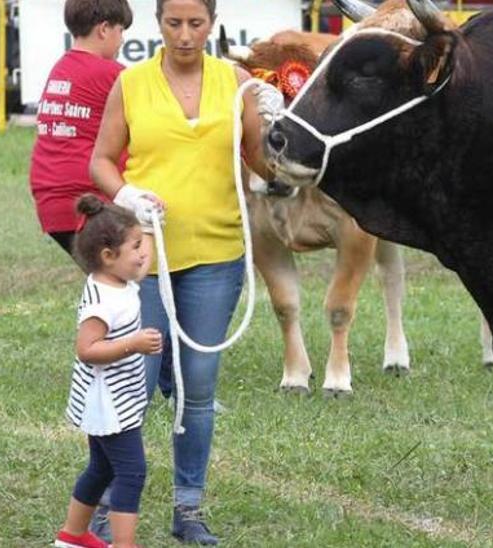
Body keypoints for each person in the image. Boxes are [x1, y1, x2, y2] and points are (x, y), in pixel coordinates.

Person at [88, 0, 277, 543]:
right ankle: (107, 504)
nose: (186, 35)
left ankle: (188, 509)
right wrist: (125, 193)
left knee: (197, 389)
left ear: (212, 24)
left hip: (216, 257)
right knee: (132, 385)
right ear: (158, 24)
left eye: (197, 24)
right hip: (140, 261)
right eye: (175, 23)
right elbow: (101, 159)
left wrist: (275, 119)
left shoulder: (235, 82)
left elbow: (265, 163)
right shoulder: (132, 83)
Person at [54, 195, 161, 548]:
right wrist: (134, 344)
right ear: (108, 256)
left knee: (101, 468)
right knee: (131, 473)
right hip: (109, 403)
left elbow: (141, 268)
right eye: (135, 246)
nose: (142, 253)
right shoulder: (103, 300)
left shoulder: (117, 279)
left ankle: (72, 536)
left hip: (116, 398)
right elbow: (87, 350)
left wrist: (151, 227)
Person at [28, 0, 131, 261]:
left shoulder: (61, 68)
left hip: (52, 204)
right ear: (104, 29)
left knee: (110, 281)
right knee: (129, 280)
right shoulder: (113, 74)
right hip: (91, 201)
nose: (121, 41)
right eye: (121, 31)